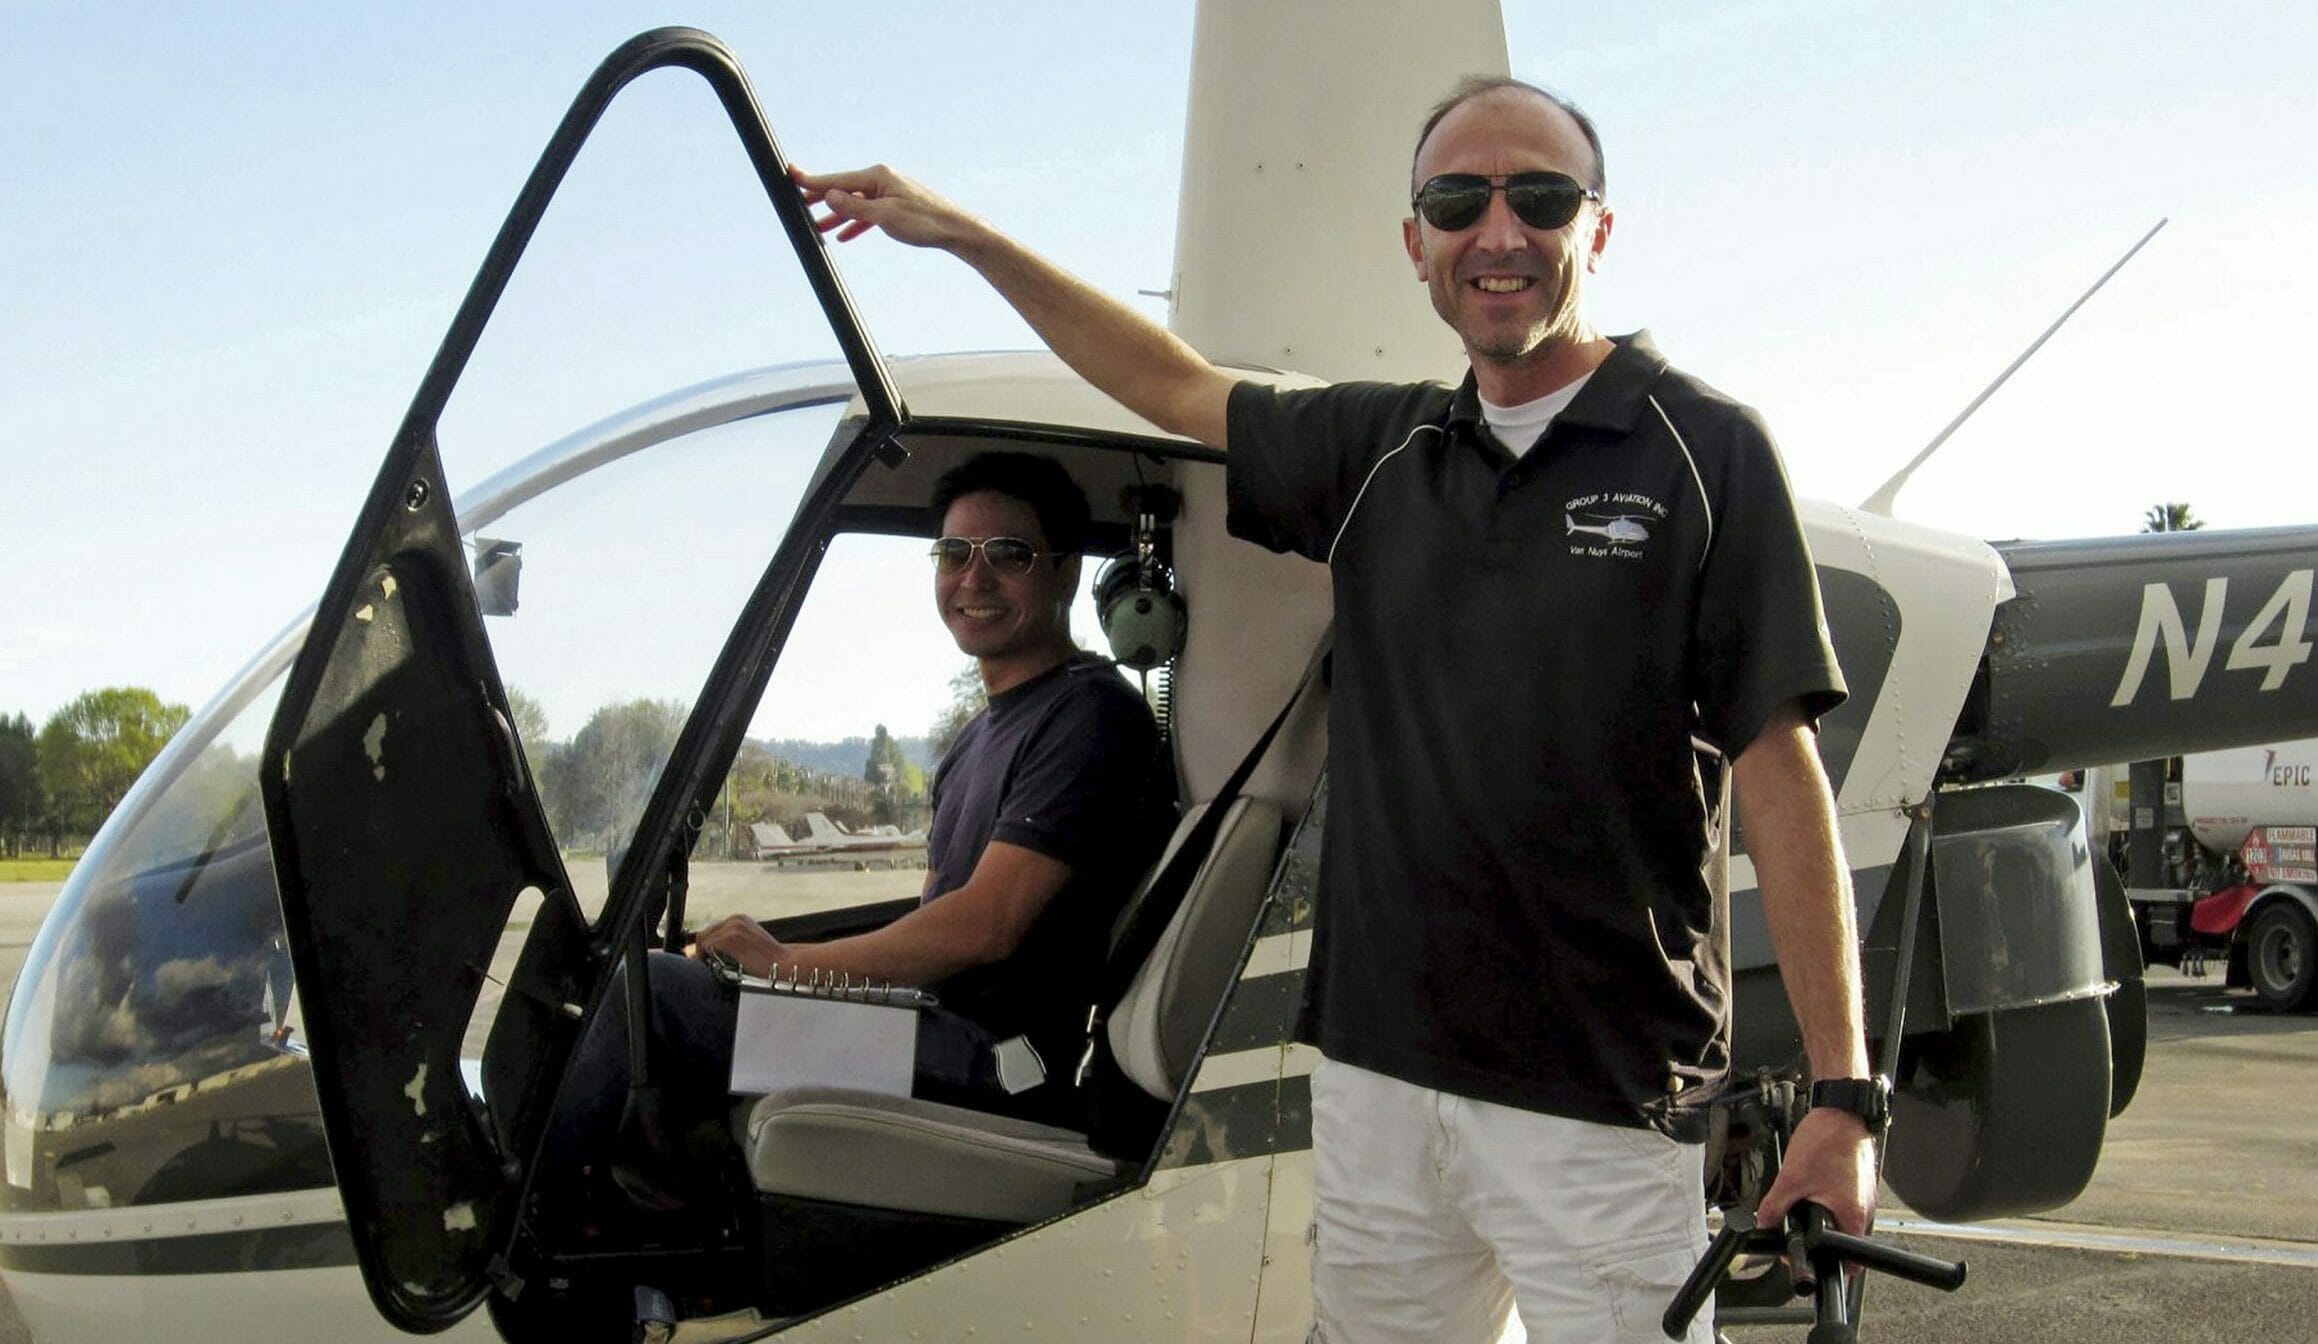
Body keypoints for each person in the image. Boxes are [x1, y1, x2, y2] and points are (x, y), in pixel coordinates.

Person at [797, 75, 1877, 1344]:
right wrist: (967, 235)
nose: (1498, 232)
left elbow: (1779, 770)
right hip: (1376, 1079)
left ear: (1597, 226)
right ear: (1413, 242)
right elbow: (1168, 385)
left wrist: (1843, 1097)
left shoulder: (1699, 449)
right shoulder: (1383, 454)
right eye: (1455, 200)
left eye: (1538, 197)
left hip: (1597, 1095)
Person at [552, 452, 1172, 1216]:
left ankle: (531, 1240)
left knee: (657, 998)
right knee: (669, 981)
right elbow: (933, 920)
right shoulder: (977, 739)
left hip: (1006, 1062)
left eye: (1008, 555)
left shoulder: (1092, 717)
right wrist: (761, 968)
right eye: (953, 554)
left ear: (1066, 572)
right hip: (942, 1030)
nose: (973, 580)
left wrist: (786, 969)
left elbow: (987, 925)